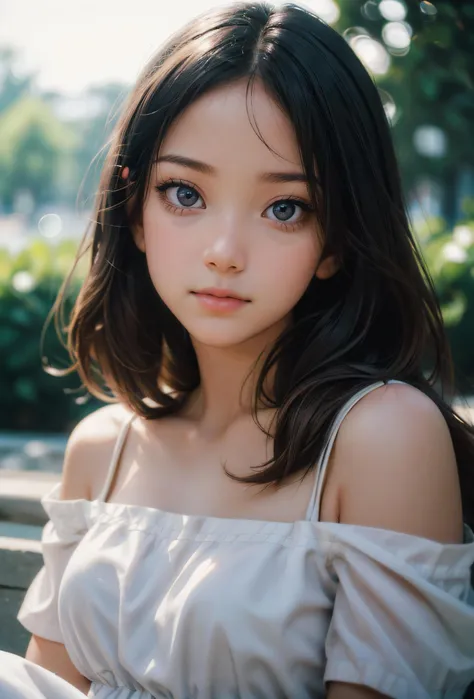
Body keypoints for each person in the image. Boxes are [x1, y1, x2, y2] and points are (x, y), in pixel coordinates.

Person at [1, 2, 474, 698]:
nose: (224, 253)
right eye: (184, 193)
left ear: (337, 240)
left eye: (286, 207)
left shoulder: (383, 438)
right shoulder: (102, 448)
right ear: (134, 211)